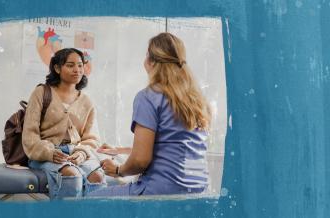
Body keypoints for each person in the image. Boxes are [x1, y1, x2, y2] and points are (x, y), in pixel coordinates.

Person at [88, 32, 212, 196]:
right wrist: (120, 150)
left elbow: (140, 161)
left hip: (160, 191)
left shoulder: (148, 97)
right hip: (197, 189)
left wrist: (118, 170)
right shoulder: (196, 100)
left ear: (151, 61)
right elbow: (171, 144)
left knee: (91, 197)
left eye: (146, 55)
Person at [22, 48, 105, 199]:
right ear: (57, 68)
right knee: (71, 176)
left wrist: (82, 152)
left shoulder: (87, 101)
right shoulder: (41, 93)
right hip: (46, 154)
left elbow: (92, 138)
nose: (77, 70)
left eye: (80, 65)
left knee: (97, 177)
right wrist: (49, 152)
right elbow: (30, 135)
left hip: (77, 152)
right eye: (70, 65)